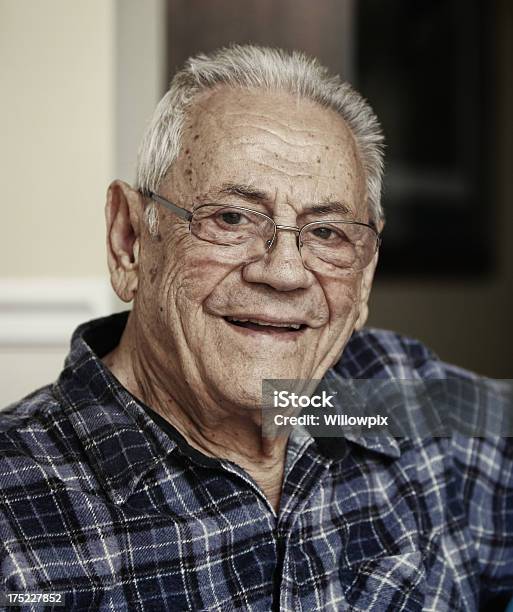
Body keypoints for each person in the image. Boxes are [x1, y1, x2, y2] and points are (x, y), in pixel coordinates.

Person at [0, 45, 511, 612]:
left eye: (328, 232)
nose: (286, 272)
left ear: (364, 273)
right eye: (231, 218)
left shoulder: (391, 395)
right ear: (130, 240)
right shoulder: (14, 514)